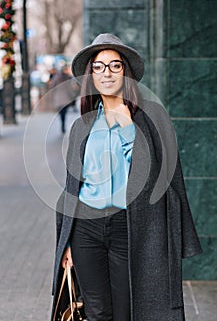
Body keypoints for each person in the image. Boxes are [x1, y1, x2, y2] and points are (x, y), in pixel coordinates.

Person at [51, 33, 202, 321]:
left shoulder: (152, 118)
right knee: (96, 312)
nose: (106, 73)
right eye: (98, 66)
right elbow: (72, 188)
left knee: (127, 312)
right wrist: (66, 242)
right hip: (85, 228)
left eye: (114, 65)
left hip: (130, 227)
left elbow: (171, 178)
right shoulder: (82, 125)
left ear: (126, 72)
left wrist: (180, 238)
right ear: (90, 75)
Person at [50, 63, 80, 133]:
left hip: (58, 97)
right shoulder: (67, 77)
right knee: (64, 111)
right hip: (66, 97)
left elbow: (52, 87)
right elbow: (71, 88)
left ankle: (62, 122)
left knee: (61, 111)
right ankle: (63, 123)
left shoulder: (56, 77)